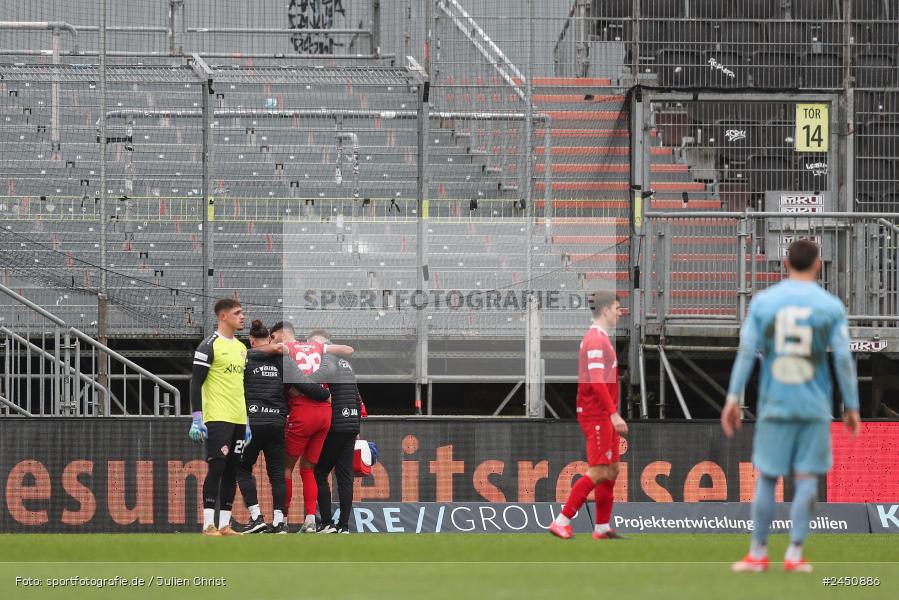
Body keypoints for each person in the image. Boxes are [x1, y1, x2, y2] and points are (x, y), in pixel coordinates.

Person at [723, 239, 861, 573]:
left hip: (775, 403)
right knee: (807, 478)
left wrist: (733, 398)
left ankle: (758, 553)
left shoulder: (764, 301)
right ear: (818, 265)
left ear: (785, 264)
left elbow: (746, 352)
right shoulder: (830, 305)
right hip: (813, 406)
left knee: (768, 478)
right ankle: (795, 553)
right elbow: (843, 359)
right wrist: (852, 406)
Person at [237, 320, 331, 534]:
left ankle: (256, 517)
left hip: (252, 423)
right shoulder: (282, 360)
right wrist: (325, 394)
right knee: (277, 474)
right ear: (270, 339)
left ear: (251, 340)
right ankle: (279, 522)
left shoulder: (244, 358)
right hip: (276, 423)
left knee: (242, 469)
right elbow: (303, 384)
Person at [550, 291, 627, 540]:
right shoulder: (595, 340)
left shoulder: (601, 338)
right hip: (597, 414)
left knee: (612, 470)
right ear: (605, 310)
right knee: (599, 470)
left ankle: (602, 527)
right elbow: (596, 381)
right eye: (617, 308)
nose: (620, 312)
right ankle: (561, 520)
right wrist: (613, 414)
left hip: (604, 413)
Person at [270, 321, 354, 533]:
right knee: (308, 468)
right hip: (325, 413)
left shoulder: (286, 349)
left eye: (273, 337)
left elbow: (262, 353)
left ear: (282, 335)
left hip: (302, 411)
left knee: (286, 468)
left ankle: (283, 519)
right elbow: (348, 350)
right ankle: (310, 520)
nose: (272, 341)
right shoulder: (318, 347)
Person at [188, 298, 250, 536]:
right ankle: (208, 525)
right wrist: (197, 418)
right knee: (217, 468)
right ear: (223, 316)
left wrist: (247, 422)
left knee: (233, 470)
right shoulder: (209, 345)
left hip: (238, 419)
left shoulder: (242, 348)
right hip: (217, 417)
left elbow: (240, 386)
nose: (242, 316)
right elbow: (196, 383)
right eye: (237, 313)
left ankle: (225, 524)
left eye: (242, 312)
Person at [308, 331, 365, 534]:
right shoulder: (346, 363)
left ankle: (326, 523)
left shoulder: (327, 360)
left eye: (312, 345)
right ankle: (344, 526)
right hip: (350, 425)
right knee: (344, 477)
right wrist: (356, 427)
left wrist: (303, 381)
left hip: (336, 425)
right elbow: (357, 397)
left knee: (319, 472)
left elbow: (319, 386)